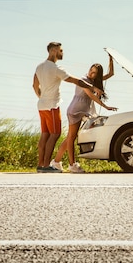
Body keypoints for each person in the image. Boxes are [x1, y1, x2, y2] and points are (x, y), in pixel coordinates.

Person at [33, 42, 102, 173]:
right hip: (52, 106)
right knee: (55, 134)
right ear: (53, 51)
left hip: (42, 105)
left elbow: (35, 85)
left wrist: (41, 98)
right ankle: (47, 166)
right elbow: (76, 80)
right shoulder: (56, 68)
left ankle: (40, 165)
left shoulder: (39, 67)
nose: (62, 53)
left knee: (45, 134)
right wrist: (92, 87)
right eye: (61, 50)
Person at [51, 55, 117, 173]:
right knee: (71, 138)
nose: (91, 74)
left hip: (81, 111)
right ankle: (72, 165)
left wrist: (111, 59)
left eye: (94, 73)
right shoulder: (84, 80)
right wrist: (105, 106)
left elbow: (111, 74)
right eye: (91, 71)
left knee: (70, 137)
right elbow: (91, 95)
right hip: (75, 111)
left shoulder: (94, 81)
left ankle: (56, 162)